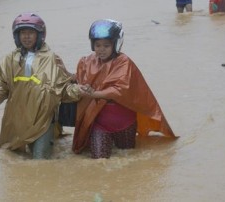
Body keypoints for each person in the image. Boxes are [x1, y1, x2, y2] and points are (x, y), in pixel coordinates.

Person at [72, 19, 177, 159]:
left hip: (125, 123)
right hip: (99, 123)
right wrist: (67, 76)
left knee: (128, 157)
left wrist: (95, 94)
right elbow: (81, 79)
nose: (101, 49)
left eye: (106, 45)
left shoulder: (124, 62)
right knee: (99, 161)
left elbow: (119, 90)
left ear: (116, 44)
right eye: (97, 45)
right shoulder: (87, 61)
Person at [0, 13, 83, 159]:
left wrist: (80, 90)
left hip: (43, 119)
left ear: (40, 35)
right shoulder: (10, 59)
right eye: (23, 33)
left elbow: (62, 88)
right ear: (17, 36)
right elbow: (0, 84)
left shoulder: (51, 58)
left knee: (41, 161)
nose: (27, 37)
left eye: (31, 33)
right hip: (16, 119)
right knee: (12, 160)